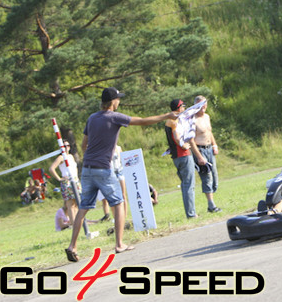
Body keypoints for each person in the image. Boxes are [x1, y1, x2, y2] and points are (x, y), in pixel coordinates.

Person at [65, 87, 178, 262]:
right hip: (103, 168)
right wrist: (166, 116)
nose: (119, 101)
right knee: (119, 203)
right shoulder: (115, 117)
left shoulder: (92, 118)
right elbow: (141, 121)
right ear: (113, 102)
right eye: (118, 99)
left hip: (87, 168)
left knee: (84, 207)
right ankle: (119, 244)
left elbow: (83, 145)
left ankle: (72, 245)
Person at [165, 99, 197, 219]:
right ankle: (191, 213)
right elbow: (176, 137)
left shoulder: (168, 121)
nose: (184, 109)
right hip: (183, 155)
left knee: (185, 185)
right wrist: (183, 145)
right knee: (189, 185)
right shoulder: (175, 120)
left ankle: (190, 212)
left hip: (176, 156)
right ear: (179, 108)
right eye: (183, 106)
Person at [189, 95, 221, 213]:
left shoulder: (207, 117)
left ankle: (212, 201)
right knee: (207, 177)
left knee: (215, 177)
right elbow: (191, 140)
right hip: (200, 150)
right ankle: (211, 205)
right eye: (200, 105)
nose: (204, 107)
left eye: (205, 104)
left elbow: (209, 132)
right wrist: (199, 156)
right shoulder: (193, 120)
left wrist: (214, 145)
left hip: (209, 149)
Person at [49, 140, 80, 225]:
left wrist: (77, 179)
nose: (67, 148)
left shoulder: (70, 156)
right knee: (70, 204)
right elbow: (51, 168)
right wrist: (59, 178)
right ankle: (73, 223)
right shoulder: (61, 157)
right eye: (64, 146)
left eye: (68, 146)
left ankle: (77, 221)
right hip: (67, 182)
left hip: (75, 180)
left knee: (76, 203)